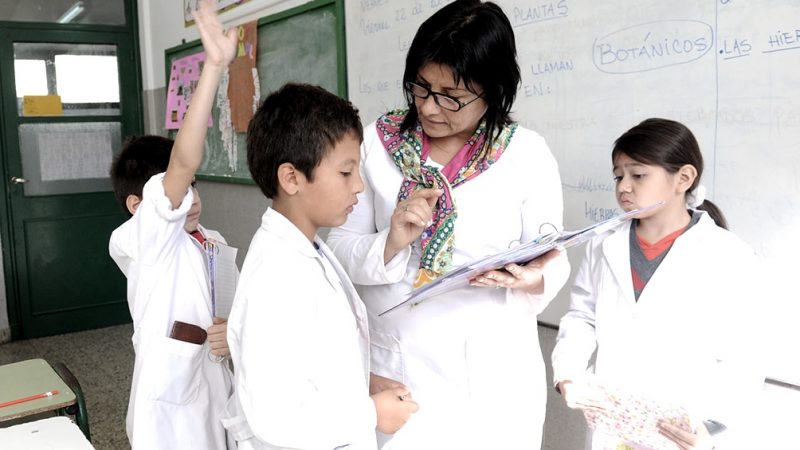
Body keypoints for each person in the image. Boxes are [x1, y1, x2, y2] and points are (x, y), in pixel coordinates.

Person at [326, 1, 570, 448]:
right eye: (421, 87)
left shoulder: (527, 154)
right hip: (401, 371)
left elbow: (553, 254)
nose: (430, 108)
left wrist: (533, 277)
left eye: (451, 96)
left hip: (494, 377)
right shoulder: (377, 145)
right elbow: (339, 247)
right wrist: (390, 243)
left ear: (492, 89)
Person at [221, 83, 419, 450]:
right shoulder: (276, 276)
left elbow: (309, 359)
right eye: (345, 173)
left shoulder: (306, 247)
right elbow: (274, 414)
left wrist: (362, 382)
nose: (358, 186)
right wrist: (370, 414)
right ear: (292, 178)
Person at [551, 118, 765, 450]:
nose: (624, 187)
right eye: (618, 176)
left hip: (684, 427)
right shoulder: (603, 244)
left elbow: (746, 352)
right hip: (613, 420)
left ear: (684, 178)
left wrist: (712, 425)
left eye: (638, 175)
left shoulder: (728, 255)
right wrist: (568, 375)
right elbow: (582, 317)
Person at [108, 2, 238, 449]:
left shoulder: (212, 241)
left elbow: (231, 307)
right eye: (181, 192)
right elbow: (182, 164)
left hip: (216, 385)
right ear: (137, 205)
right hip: (170, 411)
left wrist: (233, 332)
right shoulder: (144, 240)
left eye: (194, 188)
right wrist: (214, 68)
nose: (191, 199)